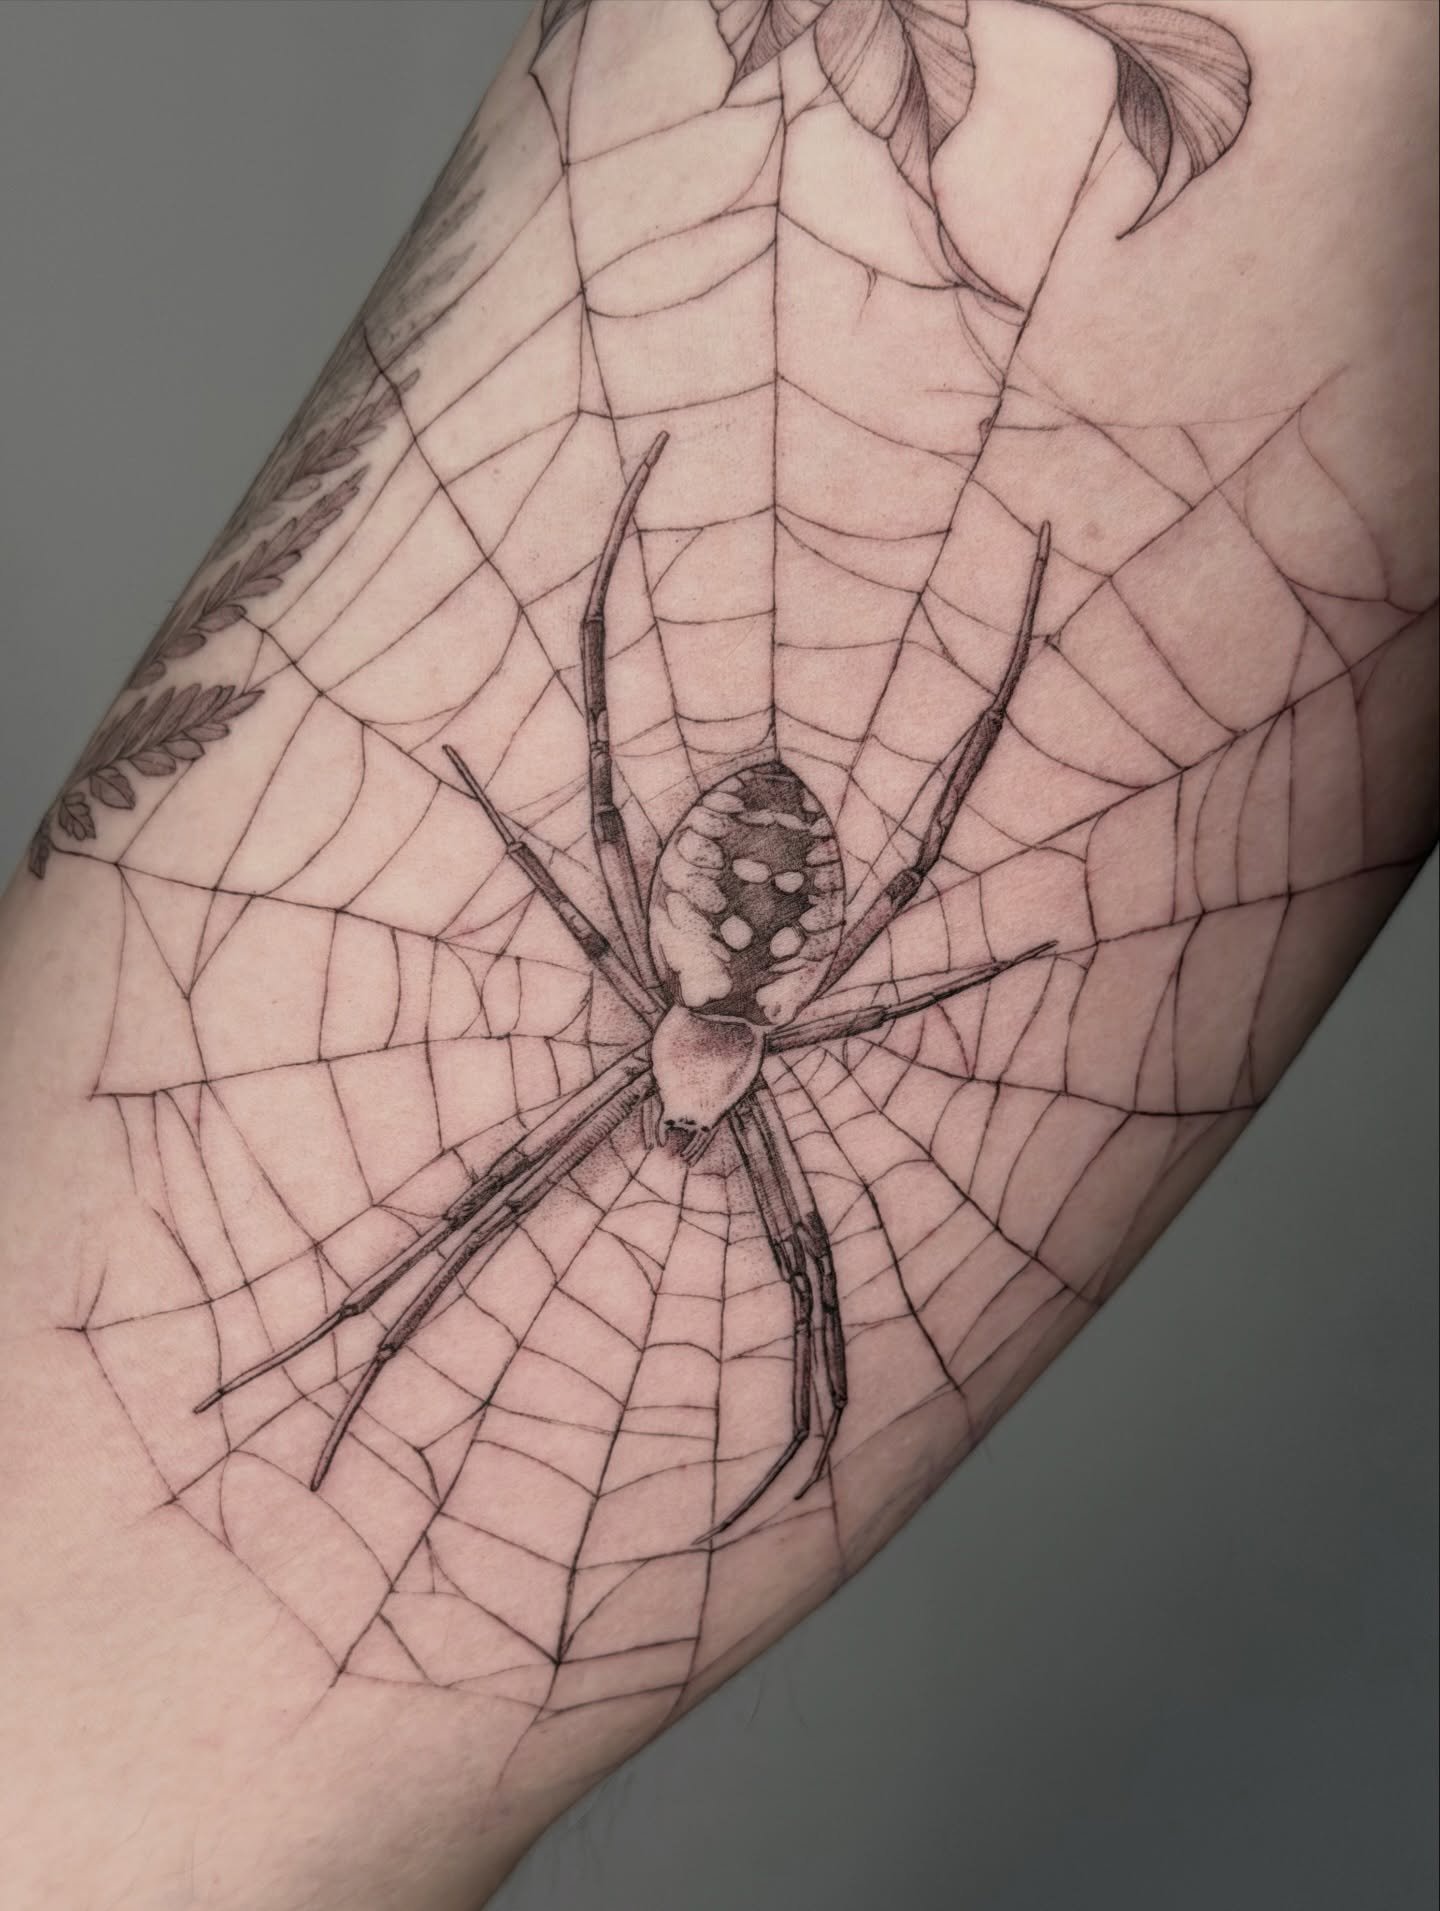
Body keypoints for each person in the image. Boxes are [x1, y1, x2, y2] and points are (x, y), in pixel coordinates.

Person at [1, 3, 1434, 1905]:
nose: (683, 1123)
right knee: (493, 1217)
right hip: (724, 941)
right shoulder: (718, 1003)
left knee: (751, 1265)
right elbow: (596, 820)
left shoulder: (735, 1026)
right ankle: (332, 1363)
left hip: (734, 945)